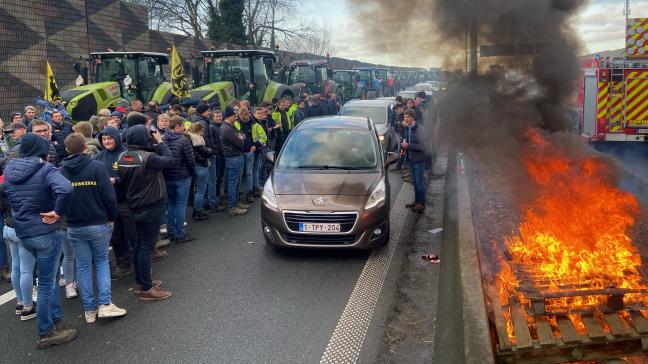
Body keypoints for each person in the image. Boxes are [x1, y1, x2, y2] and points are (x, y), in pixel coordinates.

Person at [4, 133, 76, 348]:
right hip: (45, 232)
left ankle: (56, 320)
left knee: (50, 278)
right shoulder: (46, 170)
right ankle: (46, 333)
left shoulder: (10, 170)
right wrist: (57, 212)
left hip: (24, 232)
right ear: (41, 151)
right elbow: (66, 189)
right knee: (45, 283)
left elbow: (6, 192)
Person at [60, 133, 126, 323]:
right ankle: (104, 304)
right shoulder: (97, 167)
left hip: (74, 225)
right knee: (101, 261)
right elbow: (109, 196)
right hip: (98, 222)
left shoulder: (61, 170)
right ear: (85, 147)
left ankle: (89, 310)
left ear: (67, 150)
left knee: (83, 266)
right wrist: (112, 217)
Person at [117, 125, 174, 301]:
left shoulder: (123, 156)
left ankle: (141, 281)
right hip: (150, 205)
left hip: (134, 205)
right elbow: (170, 160)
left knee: (140, 245)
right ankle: (147, 288)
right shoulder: (148, 158)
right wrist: (160, 141)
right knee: (146, 247)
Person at [95, 126, 135, 281]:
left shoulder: (126, 154)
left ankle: (141, 262)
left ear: (116, 138)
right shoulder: (99, 157)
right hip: (109, 204)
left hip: (126, 201)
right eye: (104, 139)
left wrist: (116, 180)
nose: (106, 141)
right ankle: (124, 265)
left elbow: (133, 176)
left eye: (109, 138)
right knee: (116, 236)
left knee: (133, 234)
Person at [0, 174, 37, 320]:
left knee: (16, 267)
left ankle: (20, 302)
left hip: (8, 227)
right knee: (26, 270)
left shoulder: (4, 186)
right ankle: (28, 306)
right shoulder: (25, 185)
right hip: (21, 229)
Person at [163, 116, 196, 243]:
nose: (184, 127)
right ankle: (180, 234)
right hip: (182, 177)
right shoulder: (183, 140)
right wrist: (193, 174)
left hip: (168, 177)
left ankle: (171, 232)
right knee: (180, 205)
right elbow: (190, 160)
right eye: (183, 125)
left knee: (171, 204)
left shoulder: (163, 139)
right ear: (177, 126)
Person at [401, 109, 430, 213]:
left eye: (408, 117)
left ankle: (421, 204)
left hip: (418, 160)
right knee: (415, 182)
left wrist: (409, 146)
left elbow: (424, 146)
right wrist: (404, 150)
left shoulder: (419, 129)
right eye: (404, 117)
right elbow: (407, 142)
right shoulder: (408, 128)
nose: (406, 119)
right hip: (410, 159)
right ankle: (417, 201)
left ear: (412, 117)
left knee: (419, 182)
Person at [220, 106, 248, 216]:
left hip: (235, 156)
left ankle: (236, 202)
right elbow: (240, 142)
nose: (236, 118)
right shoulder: (227, 128)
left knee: (236, 182)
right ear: (230, 116)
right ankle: (232, 206)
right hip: (233, 157)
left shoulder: (228, 126)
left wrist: (241, 137)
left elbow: (241, 136)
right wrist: (241, 138)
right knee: (233, 182)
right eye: (235, 116)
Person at [186, 123, 213, 221]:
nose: (203, 133)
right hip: (201, 165)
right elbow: (206, 153)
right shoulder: (197, 140)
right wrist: (210, 151)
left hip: (193, 166)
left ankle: (194, 206)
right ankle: (197, 212)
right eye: (202, 130)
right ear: (198, 130)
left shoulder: (187, 138)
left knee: (194, 189)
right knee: (200, 191)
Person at [207, 109, 225, 211]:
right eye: (216, 116)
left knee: (220, 176)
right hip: (217, 155)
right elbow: (213, 142)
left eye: (220, 116)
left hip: (223, 154)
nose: (219, 118)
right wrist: (217, 152)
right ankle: (215, 196)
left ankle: (217, 194)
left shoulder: (221, 126)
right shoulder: (211, 127)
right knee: (216, 177)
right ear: (212, 117)